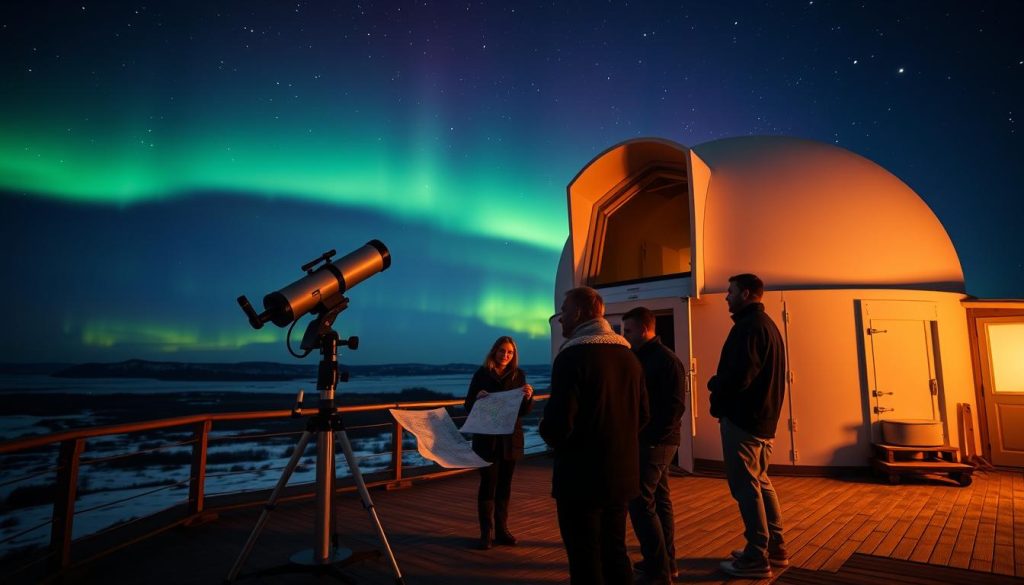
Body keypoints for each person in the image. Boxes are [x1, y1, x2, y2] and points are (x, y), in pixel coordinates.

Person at [540, 286, 648, 585]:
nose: (560, 319)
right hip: (622, 476)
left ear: (577, 313)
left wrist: (545, 431)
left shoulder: (572, 357)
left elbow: (559, 426)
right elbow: (644, 415)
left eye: (563, 312)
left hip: (580, 481)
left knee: (584, 556)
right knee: (615, 551)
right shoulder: (629, 357)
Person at [708, 274, 788, 579]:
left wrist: (715, 386)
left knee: (746, 486)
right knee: (760, 482)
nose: (726, 297)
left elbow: (739, 377)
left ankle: (757, 555)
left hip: (744, 420)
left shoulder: (749, 328)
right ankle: (775, 547)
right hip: (762, 420)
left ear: (745, 292)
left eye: (730, 291)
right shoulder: (766, 326)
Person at [621, 307, 686, 584]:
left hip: (655, 442)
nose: (625, 336)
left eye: (628, 331)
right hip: (658, 441)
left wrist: (650, 436)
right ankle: (665, 562)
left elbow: (674, 406)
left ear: (645, 329)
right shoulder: (647, 358)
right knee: (659, 501)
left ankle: (658, 569)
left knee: (640, 503)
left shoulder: (664, 361)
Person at [464, 336, 535, 550]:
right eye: (502, 351)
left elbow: (522, 412)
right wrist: (478, 398)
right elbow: (468, 406)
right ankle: (486, 532)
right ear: (494, 351)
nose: (505, 355)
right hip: (487, 441)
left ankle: (502, 529)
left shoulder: (518, 375)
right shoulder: (482, 374)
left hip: (510, 440)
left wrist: (529, 398)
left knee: (505, 486)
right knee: (488, 485)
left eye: (510, 352)